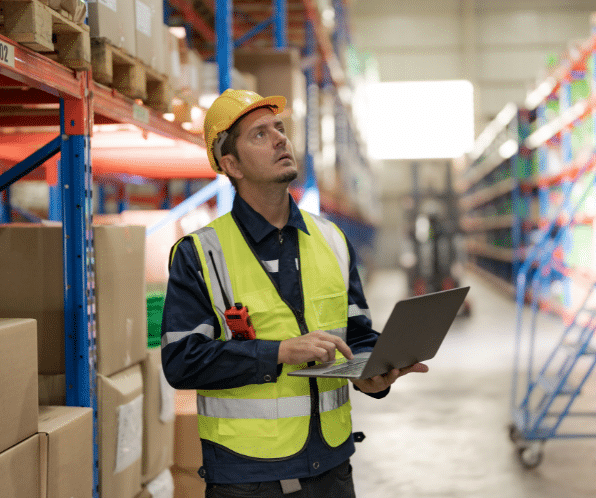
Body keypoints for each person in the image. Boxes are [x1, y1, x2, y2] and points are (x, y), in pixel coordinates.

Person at [160, 89, 428, 498]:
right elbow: (181, 362)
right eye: (260, 135)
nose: (281, 139)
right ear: (231, 164)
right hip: (246, 478)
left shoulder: (332, 239)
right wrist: (278, 352)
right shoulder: (200, 254)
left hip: (332, 470)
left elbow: (356, 335)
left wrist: (374, 375)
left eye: (280, 129)